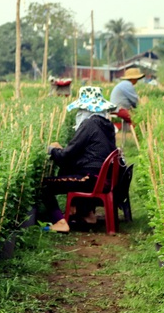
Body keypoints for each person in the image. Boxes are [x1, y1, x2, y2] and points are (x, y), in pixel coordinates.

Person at [41, 86, 117, 233]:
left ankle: (60, 222)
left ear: (85, 109)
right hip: (101, 177)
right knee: (69, 170)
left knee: (45, 185)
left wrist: (52, 150)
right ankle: (87, 213)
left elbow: (66, 156)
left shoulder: (89, 124)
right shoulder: (107, 125)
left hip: (90, 179)